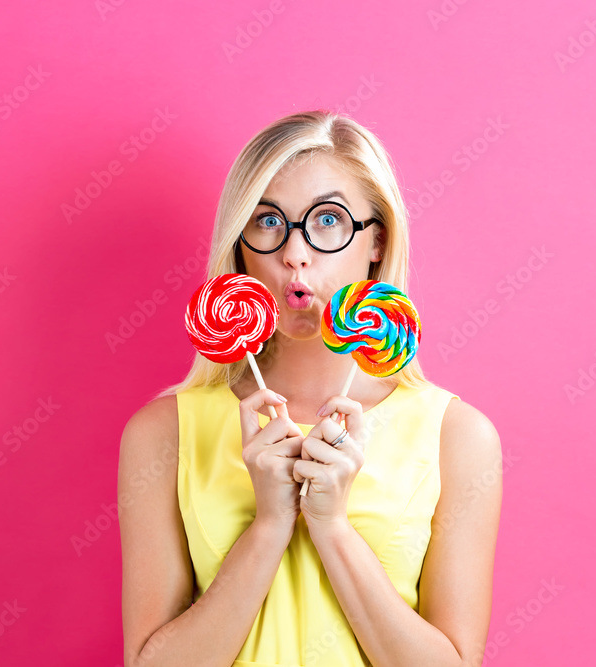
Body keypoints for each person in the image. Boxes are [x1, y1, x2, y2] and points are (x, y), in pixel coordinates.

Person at [118, 110, 502, 667]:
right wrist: (270, 524)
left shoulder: (457, 439)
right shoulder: (163, 434)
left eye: (328, 220)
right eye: (268, 221)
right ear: (240, 242)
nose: (294, 253)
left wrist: (331, 526)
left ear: (377, 241)